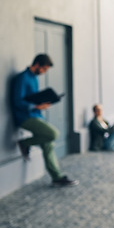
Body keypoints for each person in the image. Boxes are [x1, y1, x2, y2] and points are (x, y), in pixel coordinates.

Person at [12, 54, 79, 187]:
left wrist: (43, 103)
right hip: (25, 117)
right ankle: (24, 143)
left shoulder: (34, 78)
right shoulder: (22, 78)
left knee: (48, 144)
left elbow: (33, 97)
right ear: (37, 64)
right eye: (44, 69)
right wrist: (36, 106)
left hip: (36, 116)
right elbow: (17, 101)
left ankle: (57, 177)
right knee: (53, 134)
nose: (44, 72)